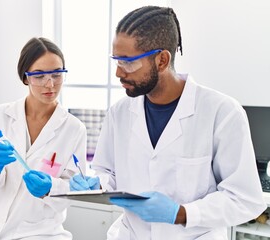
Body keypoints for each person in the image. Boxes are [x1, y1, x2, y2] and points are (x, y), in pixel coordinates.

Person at [69, 5, 267, 240]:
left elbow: (245, 199)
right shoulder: (119, 113)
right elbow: (107, 172)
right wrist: (95, 184)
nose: (119, 73)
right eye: (116, 61)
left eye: (128, 62)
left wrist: (181, 213)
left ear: (162, 60)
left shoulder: (221, 112)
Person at [0, 37, 87, 240]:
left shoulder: (73, 129)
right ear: (25, 77)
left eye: (57, 74)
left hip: (39, 232)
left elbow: (73, 190)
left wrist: (51, 188)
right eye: (39, 76)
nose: (50, 84)